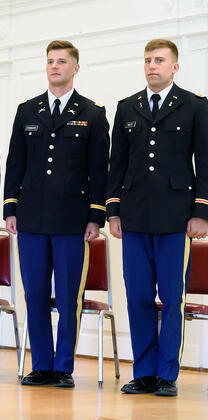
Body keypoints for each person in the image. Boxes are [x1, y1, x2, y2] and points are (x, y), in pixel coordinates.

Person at [3, 40, 109, 388]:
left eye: (62, 61)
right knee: (34, 294)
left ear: (75, 68)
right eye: (50, 61)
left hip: (72, 220)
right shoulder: (28, 109)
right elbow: (15, 161)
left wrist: (95, 217)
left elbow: (99, 170)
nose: (54, 67)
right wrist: (11, 207)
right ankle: (41, 364)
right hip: (31, 217)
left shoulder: (92, 113)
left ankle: (63, 367)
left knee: (67, 296)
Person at [107, 39, 208, 397]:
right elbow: (116, 163)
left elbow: (205, 163)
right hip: (134, 216)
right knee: (136, 297)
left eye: (160, 60)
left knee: (171, 297)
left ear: (175, 67)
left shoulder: (195, 106)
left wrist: (202, 212)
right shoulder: (127, 107)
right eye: (148, 60)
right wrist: (113, 210)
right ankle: (144, 371)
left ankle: (166, 374)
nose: (152, 65)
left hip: (175, 218)